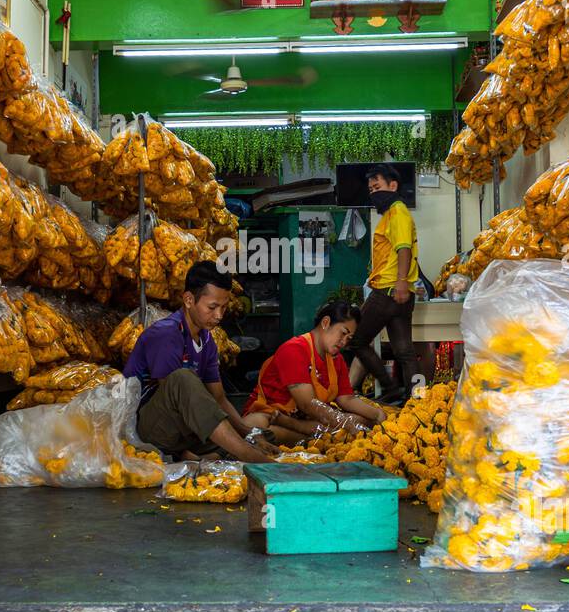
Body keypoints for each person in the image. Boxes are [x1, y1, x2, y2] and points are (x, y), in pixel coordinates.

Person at [123, 260, 277, 462]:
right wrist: (246, 448)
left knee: (261, 436)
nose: (219, 315)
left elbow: (219, 399)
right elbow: (176, 398)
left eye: (223, 307)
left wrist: (248, 433)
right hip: (149, 430)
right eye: (212, 307)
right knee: (182, 379)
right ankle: (246, 456)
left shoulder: (207, 341)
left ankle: (201, 456)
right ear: (188, 300)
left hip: (184, 428)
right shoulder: (166, 334)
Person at [241, 299, 385, 442]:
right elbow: (308, 404)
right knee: (257, 425)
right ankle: (316, 434)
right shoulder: (294, 349)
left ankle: (318, 434)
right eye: (342, 333)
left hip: (307, 423)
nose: (344, 342)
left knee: (361, 419)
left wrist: (377, 414)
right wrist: (345, 423)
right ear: (325, 323)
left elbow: (346, 398)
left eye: (349, 338)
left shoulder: (337, 359)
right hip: (271, 418)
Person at [346, 163, 420, 404]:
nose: (373, 193)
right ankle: (418, 400)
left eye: (377, 187)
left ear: (393, 186)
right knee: (405, 352)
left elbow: (403, 249)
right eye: (371, 189)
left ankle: (390, 388)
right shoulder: (392, 214)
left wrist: (399, 282)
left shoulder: (397, 212)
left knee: (356, 340)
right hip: (400, 292)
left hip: (388, 291)